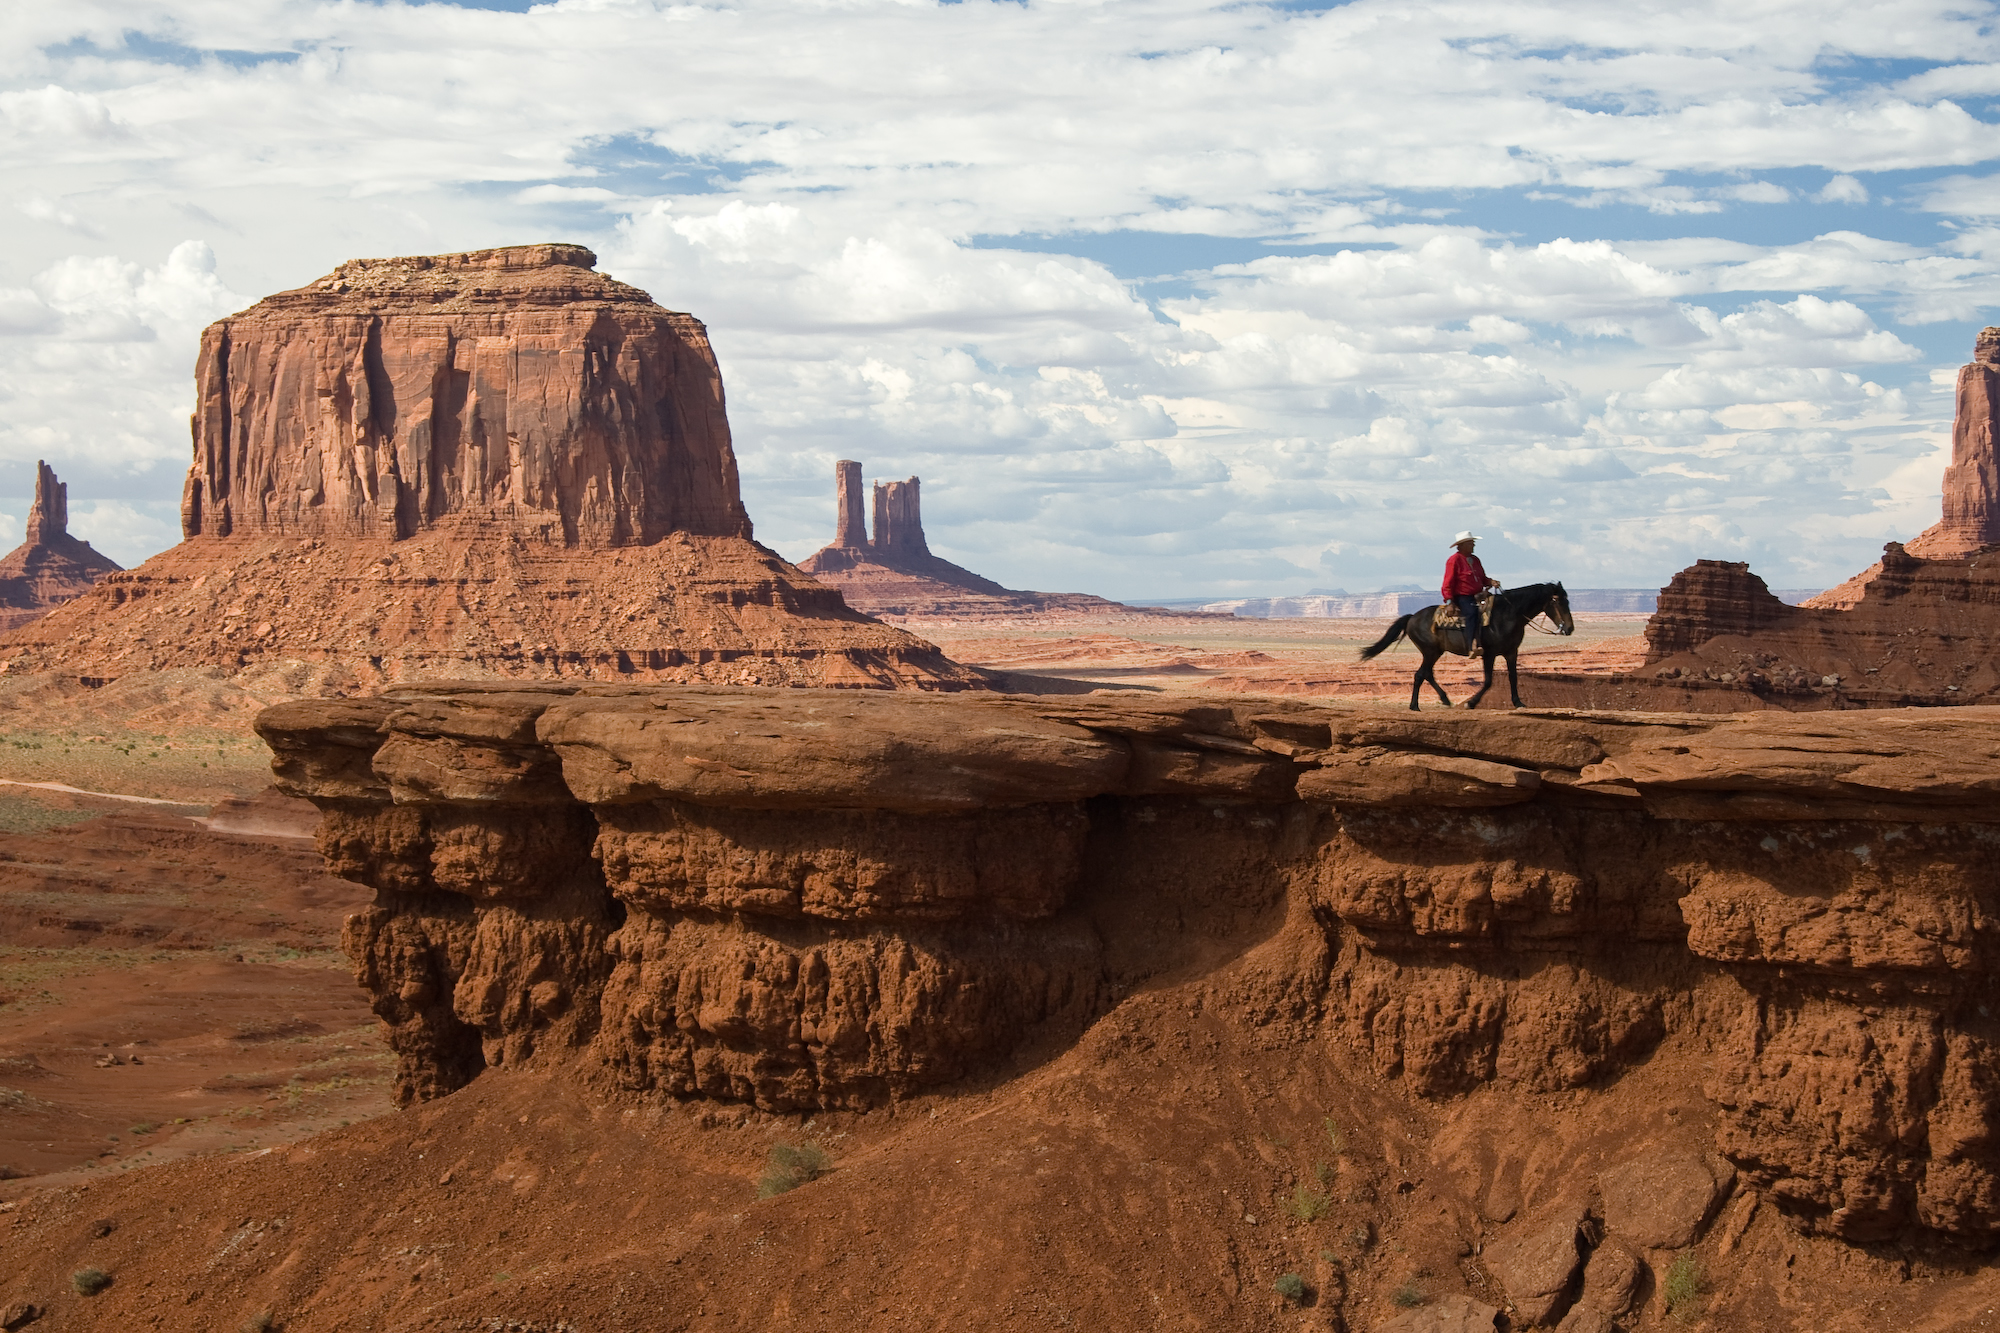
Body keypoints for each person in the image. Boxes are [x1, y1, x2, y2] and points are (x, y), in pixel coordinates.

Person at [1441, 531, 1500, 644]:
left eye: (1473, 543)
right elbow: (1447, 582)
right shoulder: (1454, 560)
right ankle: (1471, 643)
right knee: (1472, 613)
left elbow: (1482, 578)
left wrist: (1491, 582)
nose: (1473, 545)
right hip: (1463, 597)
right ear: (1461, 545)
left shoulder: (1475, 560)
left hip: (1478, 595)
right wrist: (1449, 601)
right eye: (1470, 543)